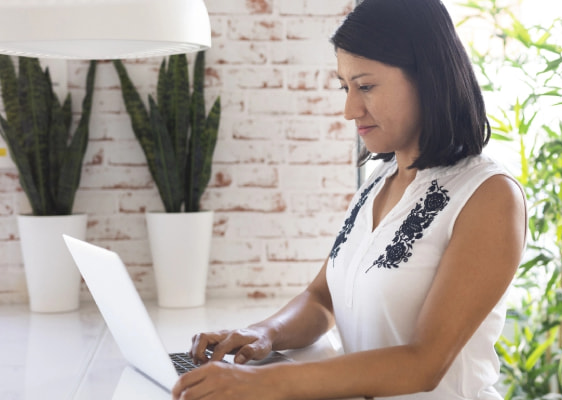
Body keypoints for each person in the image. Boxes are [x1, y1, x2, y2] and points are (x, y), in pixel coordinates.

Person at [172, 0, 527, 398]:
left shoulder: (489, 196)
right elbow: (322, 299)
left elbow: (423, 363)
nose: (349, 109)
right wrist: (262, 334)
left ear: (429, 77)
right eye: (345, 87)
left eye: (366, 86)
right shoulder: (378, 181)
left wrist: (260, 383)